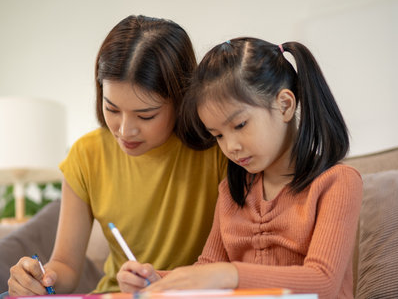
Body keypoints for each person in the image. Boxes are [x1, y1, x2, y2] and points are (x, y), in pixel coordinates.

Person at [116, 37, 363, 299]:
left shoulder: (338, 182)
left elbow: (322, 282)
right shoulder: (232, 193)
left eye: (240, 125)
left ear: (285, 105)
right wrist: (157, 280)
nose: (230, 146)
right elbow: (207, 269)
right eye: (218, 135)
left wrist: (229, 275)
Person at [3, 15, 227, 297]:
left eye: (146, 115)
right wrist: (40, 281)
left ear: (181, 99)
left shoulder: (219, 150)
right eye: (112, 108)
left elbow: (230, 262)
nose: (124, 130)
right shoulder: (87, 154)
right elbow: (66, 266)